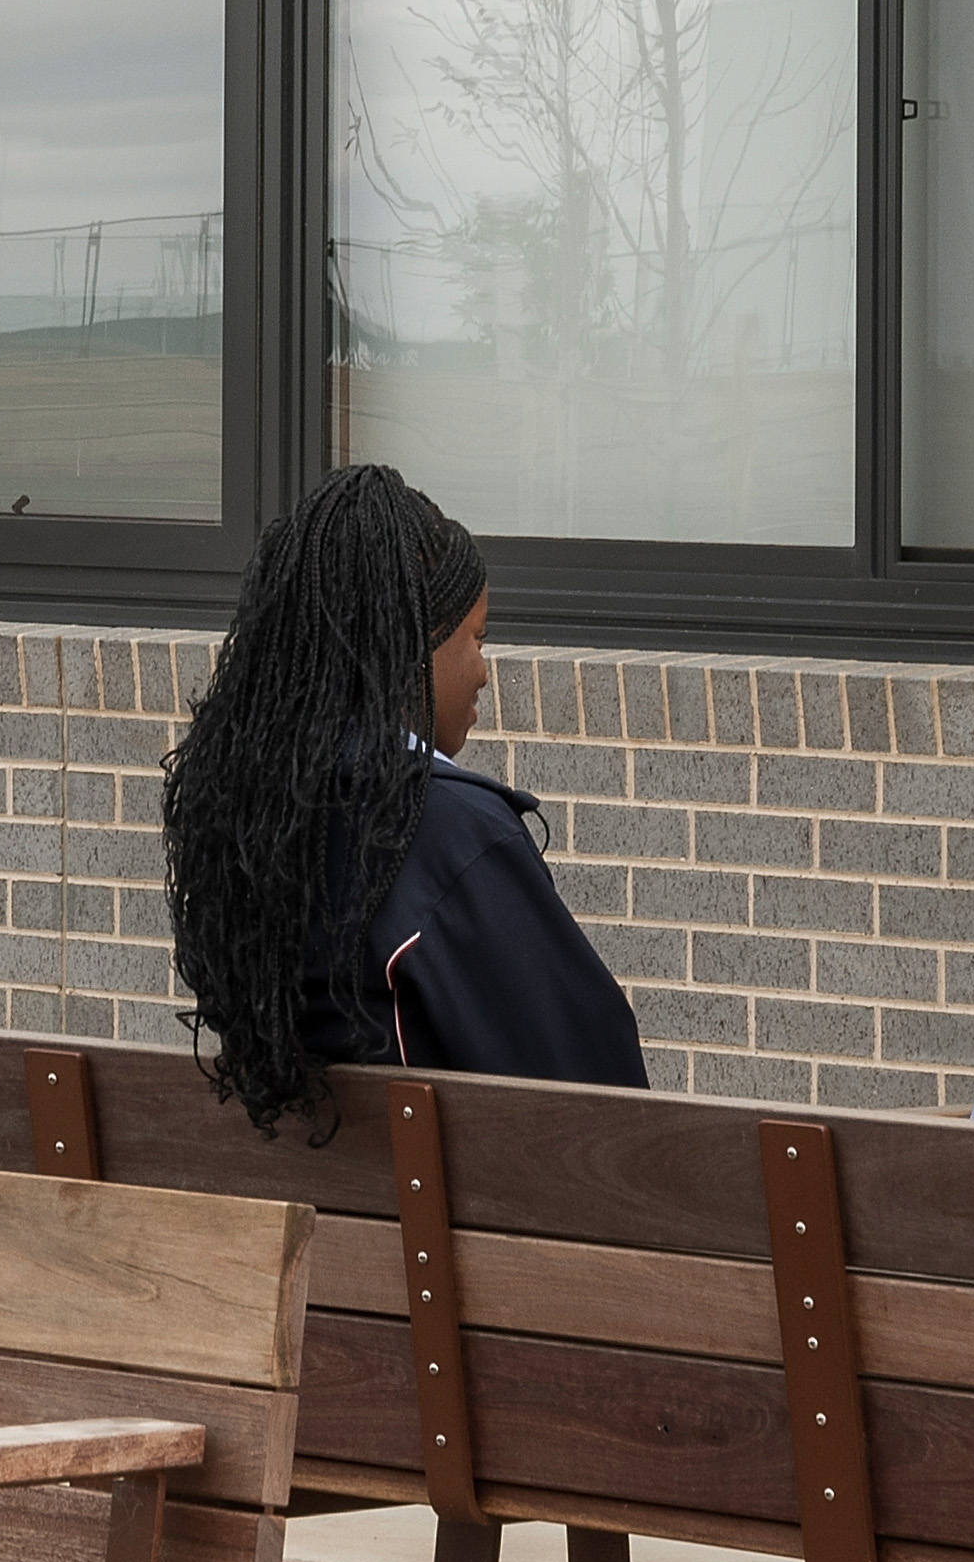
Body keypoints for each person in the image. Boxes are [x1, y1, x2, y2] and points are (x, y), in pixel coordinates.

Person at [163, 461, 645, 1128]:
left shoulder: (246, 821)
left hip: (318, 1220)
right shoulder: (449, 834)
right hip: (455, 1224)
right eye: (476, 637)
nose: (482, 671)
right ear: (407, 647)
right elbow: (601, 1095)